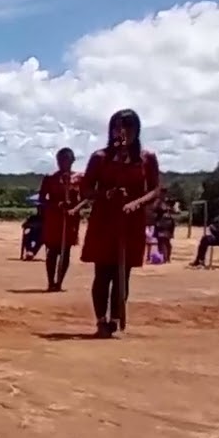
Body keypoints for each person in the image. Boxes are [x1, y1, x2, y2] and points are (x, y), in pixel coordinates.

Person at [78, 109, 161, 337]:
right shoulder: (100, 158)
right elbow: (85, 189)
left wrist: (137, 203)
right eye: (118, 128)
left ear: (136, 131)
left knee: (122, 273)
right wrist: (105, 194)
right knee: (103, 272)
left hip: (131, 222)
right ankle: (100, 320)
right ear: (111, 130)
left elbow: (155, 189)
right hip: (104, 221)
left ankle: (116, 317)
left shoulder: (147, 158)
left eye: (128, 128)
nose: (122, 133)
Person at [38, 148, 83, 291]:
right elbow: (41, 200)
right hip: (53, 219)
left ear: (72, 160)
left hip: (70, 220)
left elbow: (85, 198)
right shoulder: (50, 178)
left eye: (67, 160)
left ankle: (59, 282)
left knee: (65, 251)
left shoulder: (79, 178)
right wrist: (56, 205)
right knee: (52, 251)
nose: (64, 163)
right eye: (61, 160)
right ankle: (51, 281)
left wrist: (74, 207)